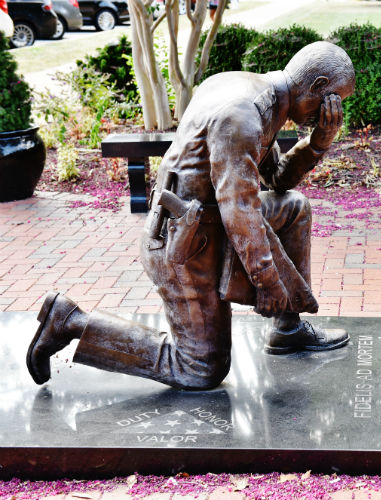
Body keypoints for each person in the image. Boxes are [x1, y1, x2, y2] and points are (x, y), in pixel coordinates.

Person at [27, 41, 356, 391]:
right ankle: (70, 321)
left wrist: (320, 140)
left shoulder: (264, 98)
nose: (331, 111)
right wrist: (268, 282)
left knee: (292, 208)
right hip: (181, 243)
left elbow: (275, 181)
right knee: (201, 369)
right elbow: (240, 210)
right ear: (318, 86)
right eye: (333, 100)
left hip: (212, 225)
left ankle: (288, 329)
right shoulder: (242, 115)